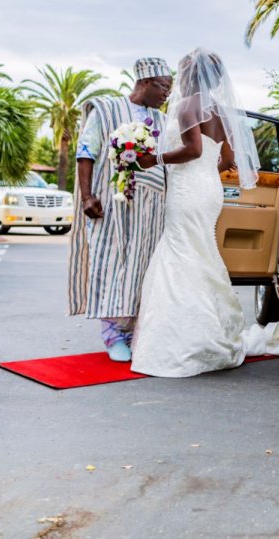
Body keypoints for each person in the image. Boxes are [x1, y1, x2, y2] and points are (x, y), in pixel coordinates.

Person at [130, 48, 279, 377]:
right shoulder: (220, 110)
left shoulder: (189, 105)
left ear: (189, 74)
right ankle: (208, 330)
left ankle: (187, 339)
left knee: (181, 254)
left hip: (188, 191)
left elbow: (193, 149)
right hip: (208, 190)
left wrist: (154, 160)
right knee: (200, 252)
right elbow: (228, 159)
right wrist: (205, 172)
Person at [68, 58, 171, 361]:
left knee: (143, 268)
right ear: (146, 82)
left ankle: (136, 332)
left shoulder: (163, 120)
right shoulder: (106, 109)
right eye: (164, 87)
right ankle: (113, 336)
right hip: (111, 204)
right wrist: (87, 196)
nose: (167, 95)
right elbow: (86, 151)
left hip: (151, 209)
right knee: (113, 264)